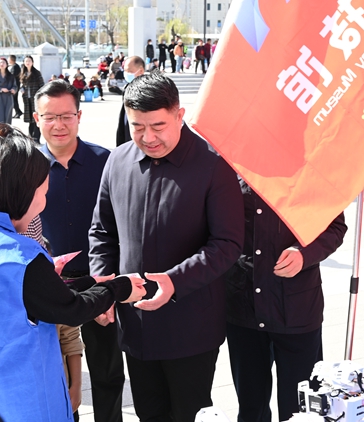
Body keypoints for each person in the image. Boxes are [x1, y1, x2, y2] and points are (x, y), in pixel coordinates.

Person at [0, 127, 146, 422]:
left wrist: (90, 282)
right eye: (44, 191)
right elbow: (71, 309)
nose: (44, 201)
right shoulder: (19, 256)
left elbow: (27, 296)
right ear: (23, 191)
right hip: (13, 401)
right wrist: (120, 287)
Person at [89, 72, 244, 422]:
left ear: (179, 115)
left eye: (158, 126)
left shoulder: (213, 165)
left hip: (191, 325)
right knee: (148, 412)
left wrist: (175, 281)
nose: (148, 137)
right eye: (137, 126)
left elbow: (228, 243)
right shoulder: (118, 160)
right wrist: (103, 283)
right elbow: (102, 231)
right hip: (135, 321)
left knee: (189, 413)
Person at [32, 80, 119, 422]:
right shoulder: (26, 166)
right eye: (50, 117)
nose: (59, 124)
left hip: (98, 278)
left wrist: (110, 282)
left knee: (107, 368)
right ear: (37, 119)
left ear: (79, 116)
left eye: (66, 115)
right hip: (47, 284)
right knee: (55, 372)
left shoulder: (106, 161)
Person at [226, 180, 346, 422]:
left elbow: (334, 227)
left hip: (296, 308)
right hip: (243, 305)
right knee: (250, 406)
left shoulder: (310, 172)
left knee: (300, 408)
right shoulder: (229, 167)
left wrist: (304, 254)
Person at [116, 56, 145, 147]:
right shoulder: (127, 88)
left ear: (141, 71)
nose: (126, 74)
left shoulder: (148, 90)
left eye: (129, 71)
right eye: (125, 70)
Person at [19, 55, 44, 142]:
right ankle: (30, 137)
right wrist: (22, 89)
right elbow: (22, 85)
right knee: (30, 118)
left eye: (29, 61)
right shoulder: (23, 73)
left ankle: (36, 137)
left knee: (36, 118)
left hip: (35, 99)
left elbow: (42, 86)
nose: (27, 63)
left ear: (32, 62)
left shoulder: (37, 73)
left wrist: (40, 96)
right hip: (27, 99)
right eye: (26, 61)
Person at [0, 57, 17, 124]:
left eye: (3, 62)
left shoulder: (11, 76)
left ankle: (7, 130)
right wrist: (1, 89)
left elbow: (15, 86)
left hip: (9, 97)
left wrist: (14, 90)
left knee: (8, 117)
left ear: (7, 64)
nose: (2, 64)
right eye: (0, 62)